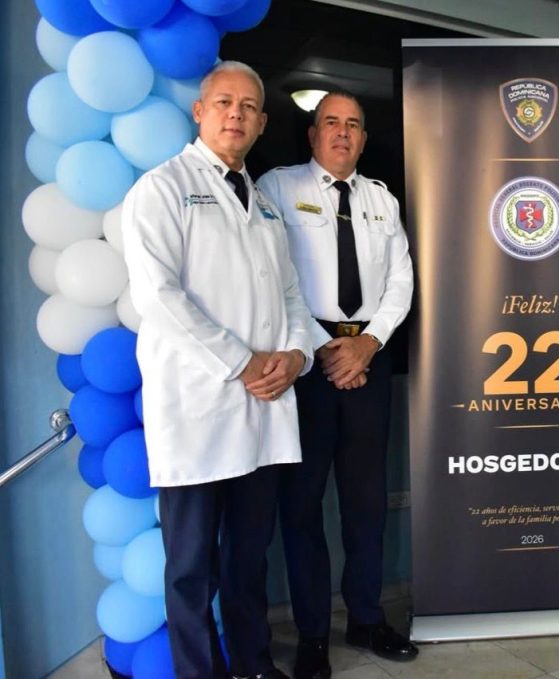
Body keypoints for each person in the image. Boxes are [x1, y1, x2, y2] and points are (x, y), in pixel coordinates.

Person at [122, 61, 316, 679]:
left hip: (263, 408)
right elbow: (159, 297)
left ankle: (254, 665)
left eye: (249, 107)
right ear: (200, 112)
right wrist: (242, 362)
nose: (237, 114)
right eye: (225, 103)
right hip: (199, 410)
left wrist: (296, 356)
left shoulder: (264, 205)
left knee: (248, 559)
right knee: (190, 568)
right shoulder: (161, 189)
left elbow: (290, 296)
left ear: (261, 124)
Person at [256, 89, 416, 678]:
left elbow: (401, 280)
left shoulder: (381, 199)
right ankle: (313, 636)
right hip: (307, 364)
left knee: (366, 504)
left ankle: (367, 618)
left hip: (369, 363)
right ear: (313, 133)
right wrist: (324, 346)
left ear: (364, 139)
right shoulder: (278, 187)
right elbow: (273, 275)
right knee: (301, 507)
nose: (342, 132)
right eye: (331, 122)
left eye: (353, 124)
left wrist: (368, 343)